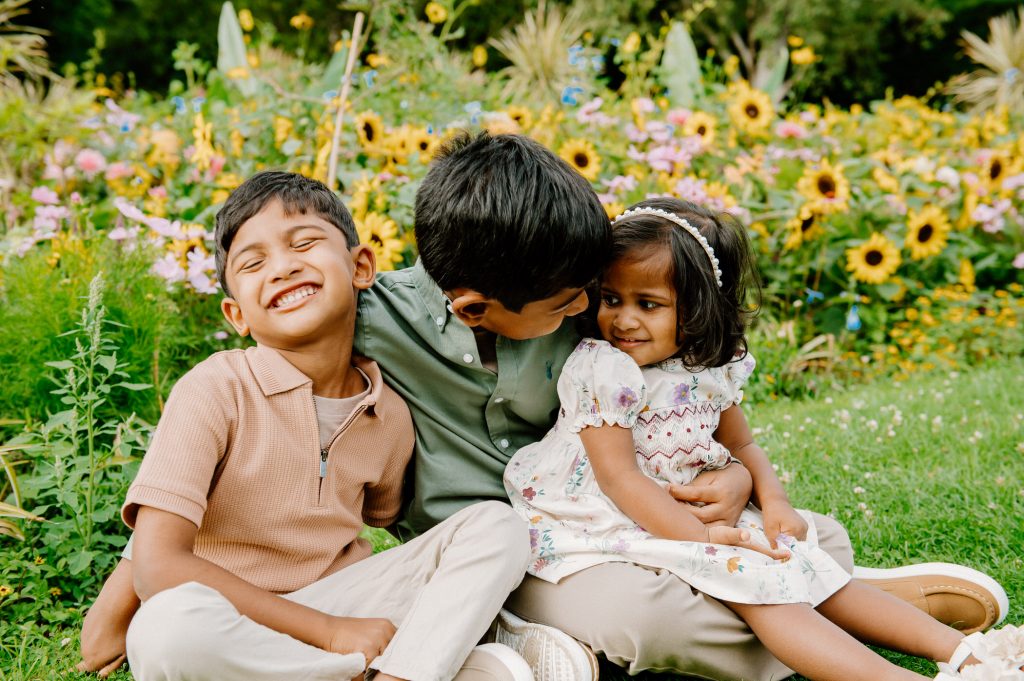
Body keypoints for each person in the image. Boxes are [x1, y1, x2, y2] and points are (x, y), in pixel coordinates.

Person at [80, 134, 1009, 680]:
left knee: (795, 535)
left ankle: (829, 588)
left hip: (620, 517)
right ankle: (839, 604)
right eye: (570, 304)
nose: (591, 312)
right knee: (658, 623)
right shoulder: (361, 320)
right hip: (514, 550)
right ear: (473, 304)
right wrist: (137, 579)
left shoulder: (574, 301)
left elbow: (678, 394)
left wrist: (734, 476)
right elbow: (254, 392)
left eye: (594, 294)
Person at [504, 197, 1019, 680]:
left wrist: (774, 504)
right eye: (612, 299)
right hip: (601, 514)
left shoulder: (709, 368)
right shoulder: (603, 368)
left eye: (649, 303)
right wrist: (702, 539)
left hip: (687, 511)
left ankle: (965, 653)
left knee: (800, 559)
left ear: (698, 308)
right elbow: (618, 479)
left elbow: (743, 447)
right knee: (758, 589)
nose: (624, 319)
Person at [80, 170, 536, 681]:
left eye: (305, 243)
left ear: (361, 266)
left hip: (339, 601)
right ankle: (422, 664)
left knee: (497, 527)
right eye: (253, 263)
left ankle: (398, 671)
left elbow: (386, 516)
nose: (283, 268)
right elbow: (158, 566)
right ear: (237, 315)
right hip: (229, 612)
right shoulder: (216, 388)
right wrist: (328, 632)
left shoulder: (389, 415)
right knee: (167, 629)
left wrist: (343, 621)